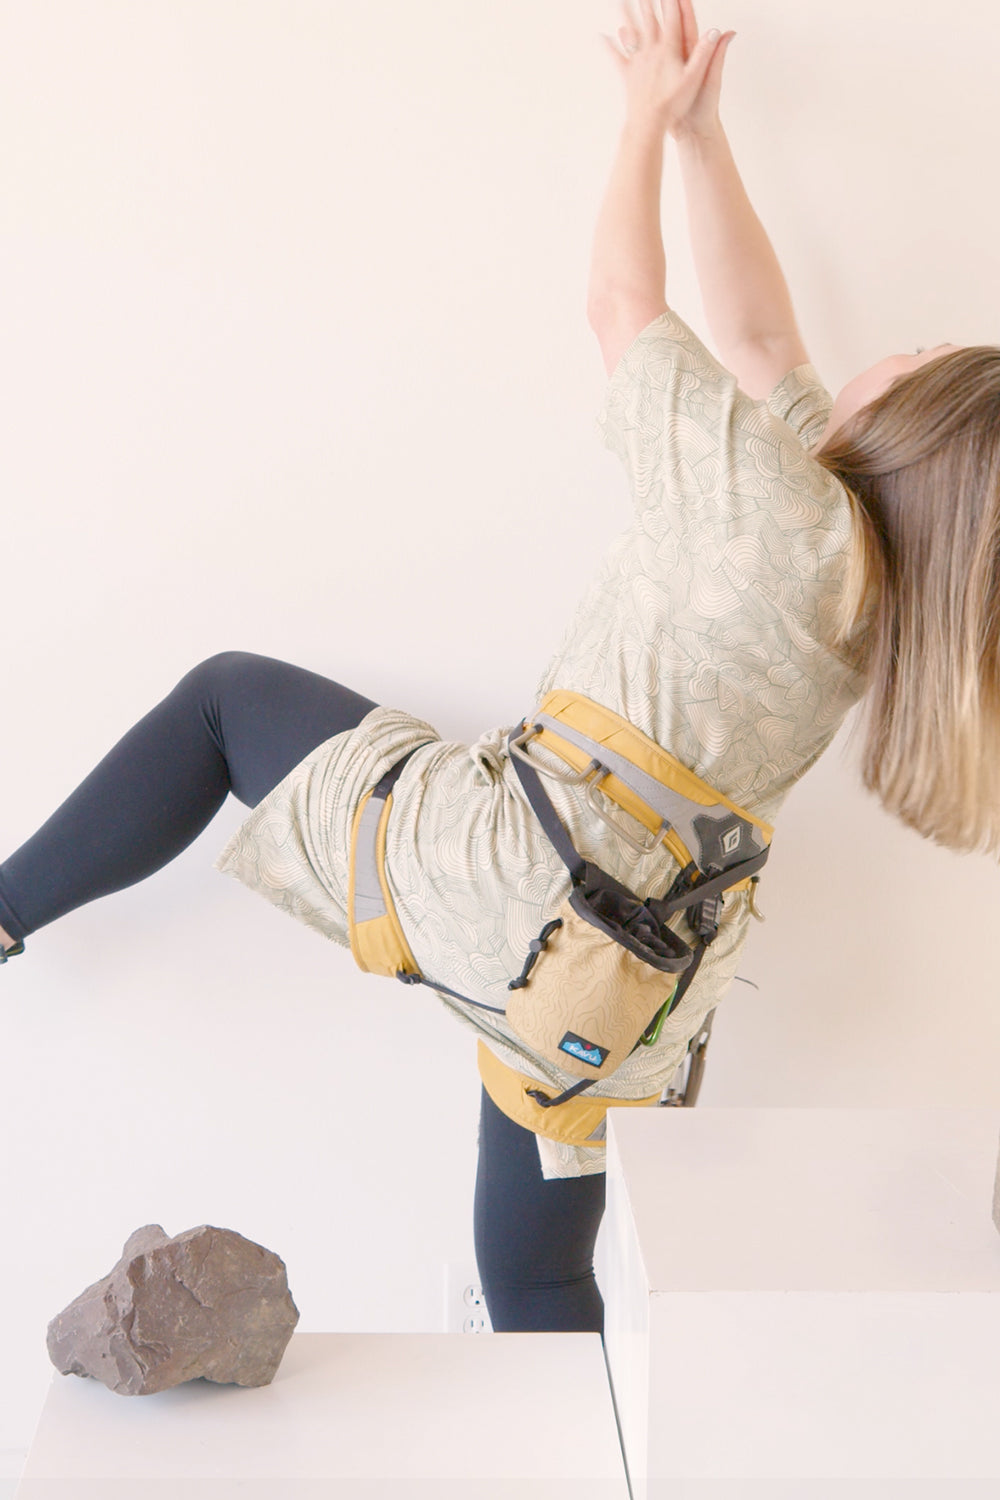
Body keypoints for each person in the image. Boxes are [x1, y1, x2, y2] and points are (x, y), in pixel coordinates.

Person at [3, 0, 1000, 1337]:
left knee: (228, 704)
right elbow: (766, 344)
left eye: (922, 356)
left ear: (914, 423)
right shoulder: (880, 575)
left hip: (511, 870)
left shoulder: (775, 504)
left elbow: (621, 307)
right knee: (535, 1274)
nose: (900, 345)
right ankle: (579, 1430)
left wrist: (640, 119)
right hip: (631, 976)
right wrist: (704, 140)